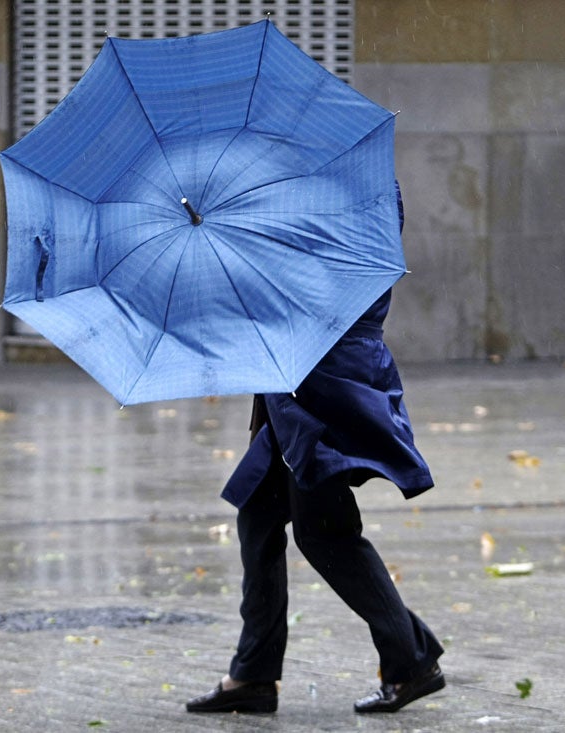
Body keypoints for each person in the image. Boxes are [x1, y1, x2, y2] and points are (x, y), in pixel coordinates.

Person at [186, 186, 445, 715]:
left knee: (324, 532)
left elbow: (329, 284)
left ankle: (411, 661)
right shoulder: (301, 186)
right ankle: (253, 675)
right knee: (259, 515)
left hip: (322, 384)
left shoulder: (356, 192)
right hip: (296, 379)